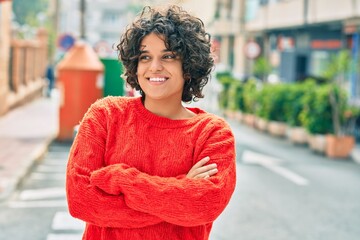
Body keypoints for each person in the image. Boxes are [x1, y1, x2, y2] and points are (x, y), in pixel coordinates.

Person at [66, 5, 236, 240]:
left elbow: (205, 205)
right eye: (145, 57)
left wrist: (121, 179)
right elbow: (81, 201)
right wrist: (181, 189)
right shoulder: (105, 115)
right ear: (135, 65)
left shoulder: (212, 133)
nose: (154, 66)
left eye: (168, 56)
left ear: (188, 66)